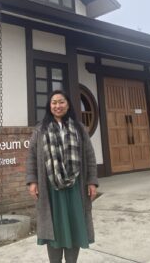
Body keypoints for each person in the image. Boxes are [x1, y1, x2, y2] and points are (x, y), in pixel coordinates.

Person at [26, 90, 98, 263]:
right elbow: (31, 157)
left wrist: (92, 182)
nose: (57, 106)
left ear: (68, 104)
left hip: (76, 186)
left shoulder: (79, 128)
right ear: (49, 106)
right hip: (50, 187)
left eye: (61, 102)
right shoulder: (40, 129)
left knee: (74, 225)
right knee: (54, 227)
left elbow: (90, 155)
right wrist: (32, 181)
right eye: (54, 102)